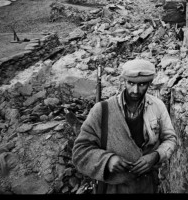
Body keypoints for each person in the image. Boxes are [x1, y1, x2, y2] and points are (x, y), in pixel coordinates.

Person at [72, 59, 177, 193]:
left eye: (142, 84)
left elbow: (170, 139)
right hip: (112, 188)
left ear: (150, 83)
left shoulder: (157, 106)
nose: (135, 90)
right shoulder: (102, 110)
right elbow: (80, 151)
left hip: (147, 185)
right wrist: (108, 160)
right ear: (123, 81)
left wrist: (156, 156)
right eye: (131, 83)